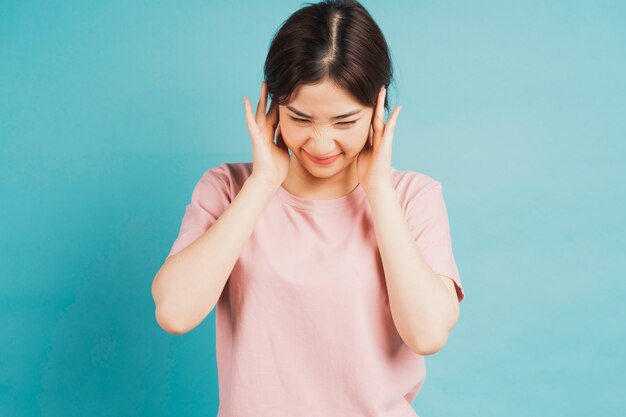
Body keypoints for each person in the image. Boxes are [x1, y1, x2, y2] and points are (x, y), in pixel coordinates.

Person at [151, 1, 465, 415]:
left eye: (344, 122)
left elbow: (427, 335)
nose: (320, 144)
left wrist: (378, 191)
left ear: (377, 107)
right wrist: (264, 183)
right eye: (299, 118)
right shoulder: (228, 189)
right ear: (272, 105)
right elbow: (174, 312)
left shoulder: (411, 197)